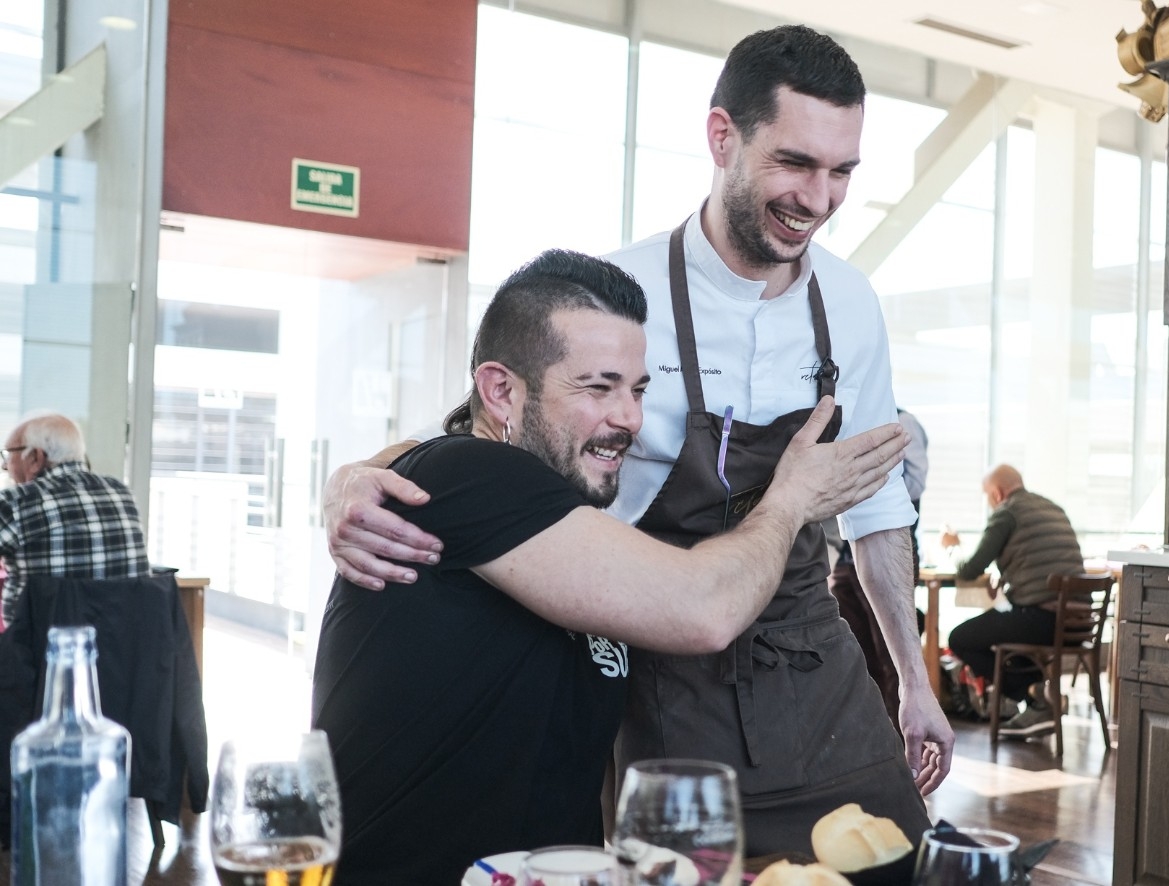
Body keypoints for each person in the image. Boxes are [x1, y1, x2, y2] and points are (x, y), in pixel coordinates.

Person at [321, 26, 953, 880]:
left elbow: (876, 509)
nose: (820, 197)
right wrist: (360, 476)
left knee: (900, 865)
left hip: (810, 656)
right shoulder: (619, 295)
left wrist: (912, 682)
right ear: (722, 137)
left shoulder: (852, 301)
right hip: (661, 645)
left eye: (842, 172)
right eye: (796, 164)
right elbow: (490, 425)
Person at [310, 249, 908, 885]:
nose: (629, 418)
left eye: (638, 388)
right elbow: (704, 611)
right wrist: (791, 499)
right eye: (598, 387)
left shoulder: (554, 510)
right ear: (501, 390)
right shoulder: (471, 476)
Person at [940, 463, 1085, 737]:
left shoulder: (1007, 513)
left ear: (996, 493)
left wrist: (951, 548)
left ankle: (1035, 695)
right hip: (1078, 623)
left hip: (1042, 621)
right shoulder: (1052, 508)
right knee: (1003, 627)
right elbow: (1038, 562)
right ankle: (1037, 698)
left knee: (960, 638)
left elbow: (970, 568)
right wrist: (1007, 578)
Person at [826, 407, 928, 728]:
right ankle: (875, 736)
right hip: (844, 560)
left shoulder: (903, 421)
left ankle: (903, 739)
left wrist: (864, 486)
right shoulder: (844, 418)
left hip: (884, 551)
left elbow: (914, 484)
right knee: (858, 659)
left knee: (891, 657)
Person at [0, 412, 150, 627]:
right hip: (125, 651)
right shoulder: (122, 493)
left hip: (39, 652)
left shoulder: (15, 502)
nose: (5, 466)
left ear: (36, 458)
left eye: (8, 455)